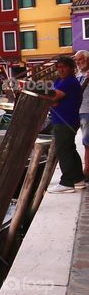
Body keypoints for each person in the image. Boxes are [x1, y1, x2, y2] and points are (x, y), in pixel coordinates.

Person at [49, 56, 86, 193]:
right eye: (58, 67)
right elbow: (53, 98)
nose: (61, 69)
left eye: (64, 66)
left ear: (71, 68)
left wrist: (52, 99)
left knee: (63, 150)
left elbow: (53, 97)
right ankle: (78, 179)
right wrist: (52, 99)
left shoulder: (70, 82)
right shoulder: (60, 80)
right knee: (70, 149)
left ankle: (67, 183)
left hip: (65, 121)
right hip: (62, 119)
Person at [74, 50, 89, 177]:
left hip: (87, 111)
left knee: (87, 142)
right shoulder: (78, 74)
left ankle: (87, 170)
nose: (79, 62)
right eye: (77, 60)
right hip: (78, 111)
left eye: (81, 59)